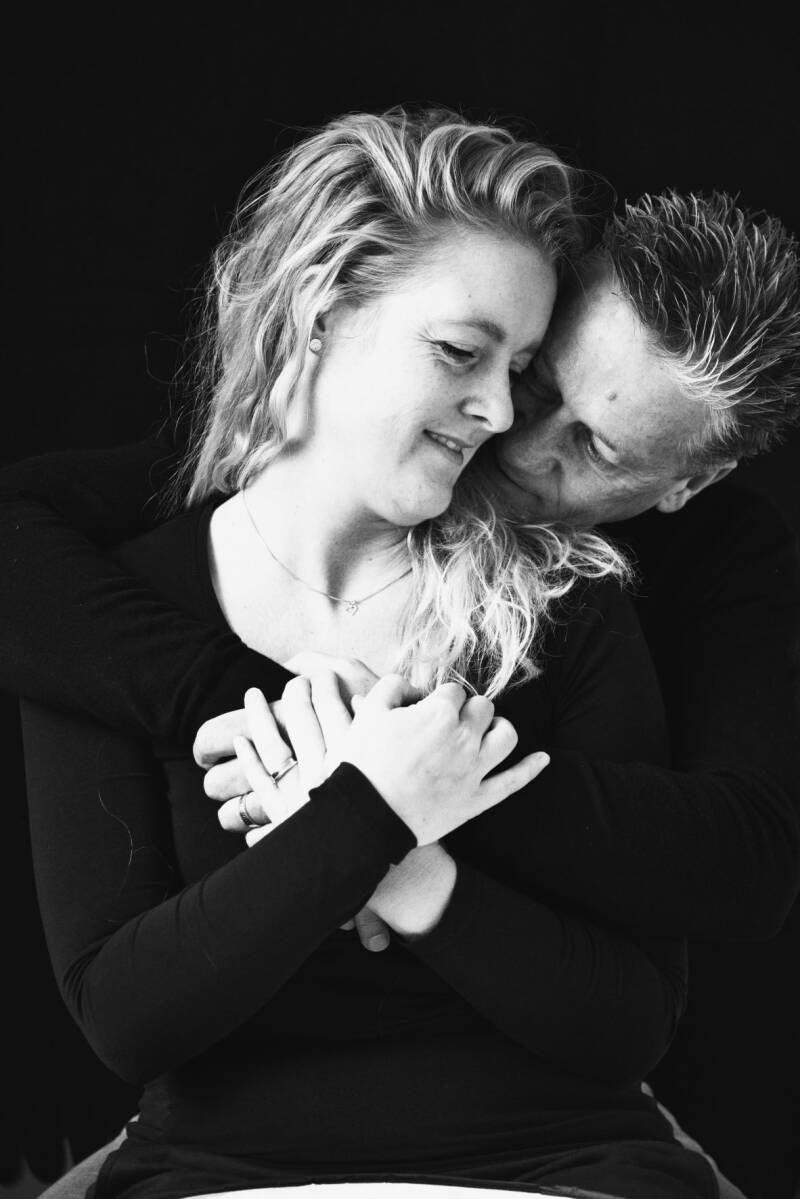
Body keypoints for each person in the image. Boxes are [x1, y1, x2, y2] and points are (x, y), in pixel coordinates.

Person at [14, 108, 717, 1199]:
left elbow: (628, 1025)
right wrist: (365, 814)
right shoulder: (104, 609)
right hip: (216, 1172)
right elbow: (126, 1017)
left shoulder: (559, 600)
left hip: (560, 1164)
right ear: (318, 311)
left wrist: (398, 855)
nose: (498, 411)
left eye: (519, 367)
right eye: (460, 352)